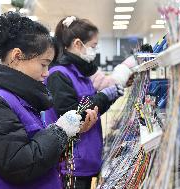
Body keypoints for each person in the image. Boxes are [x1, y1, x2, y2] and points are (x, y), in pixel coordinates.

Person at [0, 12, 98, 189]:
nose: (46, 73)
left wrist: (67, 131)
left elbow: (32, 143)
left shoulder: (15, 96)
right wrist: (61, 131)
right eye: (43, 64)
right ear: (17, 56)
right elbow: (20, 164)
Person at [45, 16, 125, 189]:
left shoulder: (79, 73)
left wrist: (109, 97)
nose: (94, 51)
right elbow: (72, 115)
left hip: (86, 157)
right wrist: (104, 96)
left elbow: (92, 110)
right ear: (78, 44)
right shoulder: (58, 75)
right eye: (93, 46)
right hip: (71, 164)